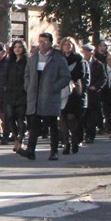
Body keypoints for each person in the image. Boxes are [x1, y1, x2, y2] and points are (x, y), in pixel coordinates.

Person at [18, 32, 71, 161]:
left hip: (49, 97)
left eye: (45, 42)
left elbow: (66, 77)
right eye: (40, 41)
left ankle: (54, 151)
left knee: (52, 124)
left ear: (50, 43)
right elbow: (27, 74)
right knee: (34, 125)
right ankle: (31, 150)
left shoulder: (57, 58)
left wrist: (54, 87)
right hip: (35, 97)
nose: (42, 44)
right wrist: (28, 87)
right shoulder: (33, 58)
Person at [0, 40, 28, 149]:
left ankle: (21, 139)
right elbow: (4, 76)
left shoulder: (26, 61)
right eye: (15, 47)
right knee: (10, 117)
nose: (17, 49)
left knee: (21, 117)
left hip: (22, 92)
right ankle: (15, 137)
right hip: (10, 92)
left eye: (20, 47)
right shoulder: (10, 61)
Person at [59, 37, 86, 155]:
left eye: (69, 44)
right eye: (65, 44)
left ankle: (74, 140)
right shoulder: (59, 58)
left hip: (74, 89)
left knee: (71, 117)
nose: (67, 46)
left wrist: (67, 76)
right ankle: (65, 142)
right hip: (60, 88)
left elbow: (80, 73)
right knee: (62, 117)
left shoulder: (78, 58)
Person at [82, 43, 106, 144]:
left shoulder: (98, 64)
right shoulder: (81, 63)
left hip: (93, 94)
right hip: (83, 92)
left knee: (92, 117)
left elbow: (103, 78)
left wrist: (96, 86)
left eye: (88, 52)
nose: (86, 54)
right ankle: (82, 133)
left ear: (92, 53)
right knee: (83, 116)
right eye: (84, 52)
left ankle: (90, 136)